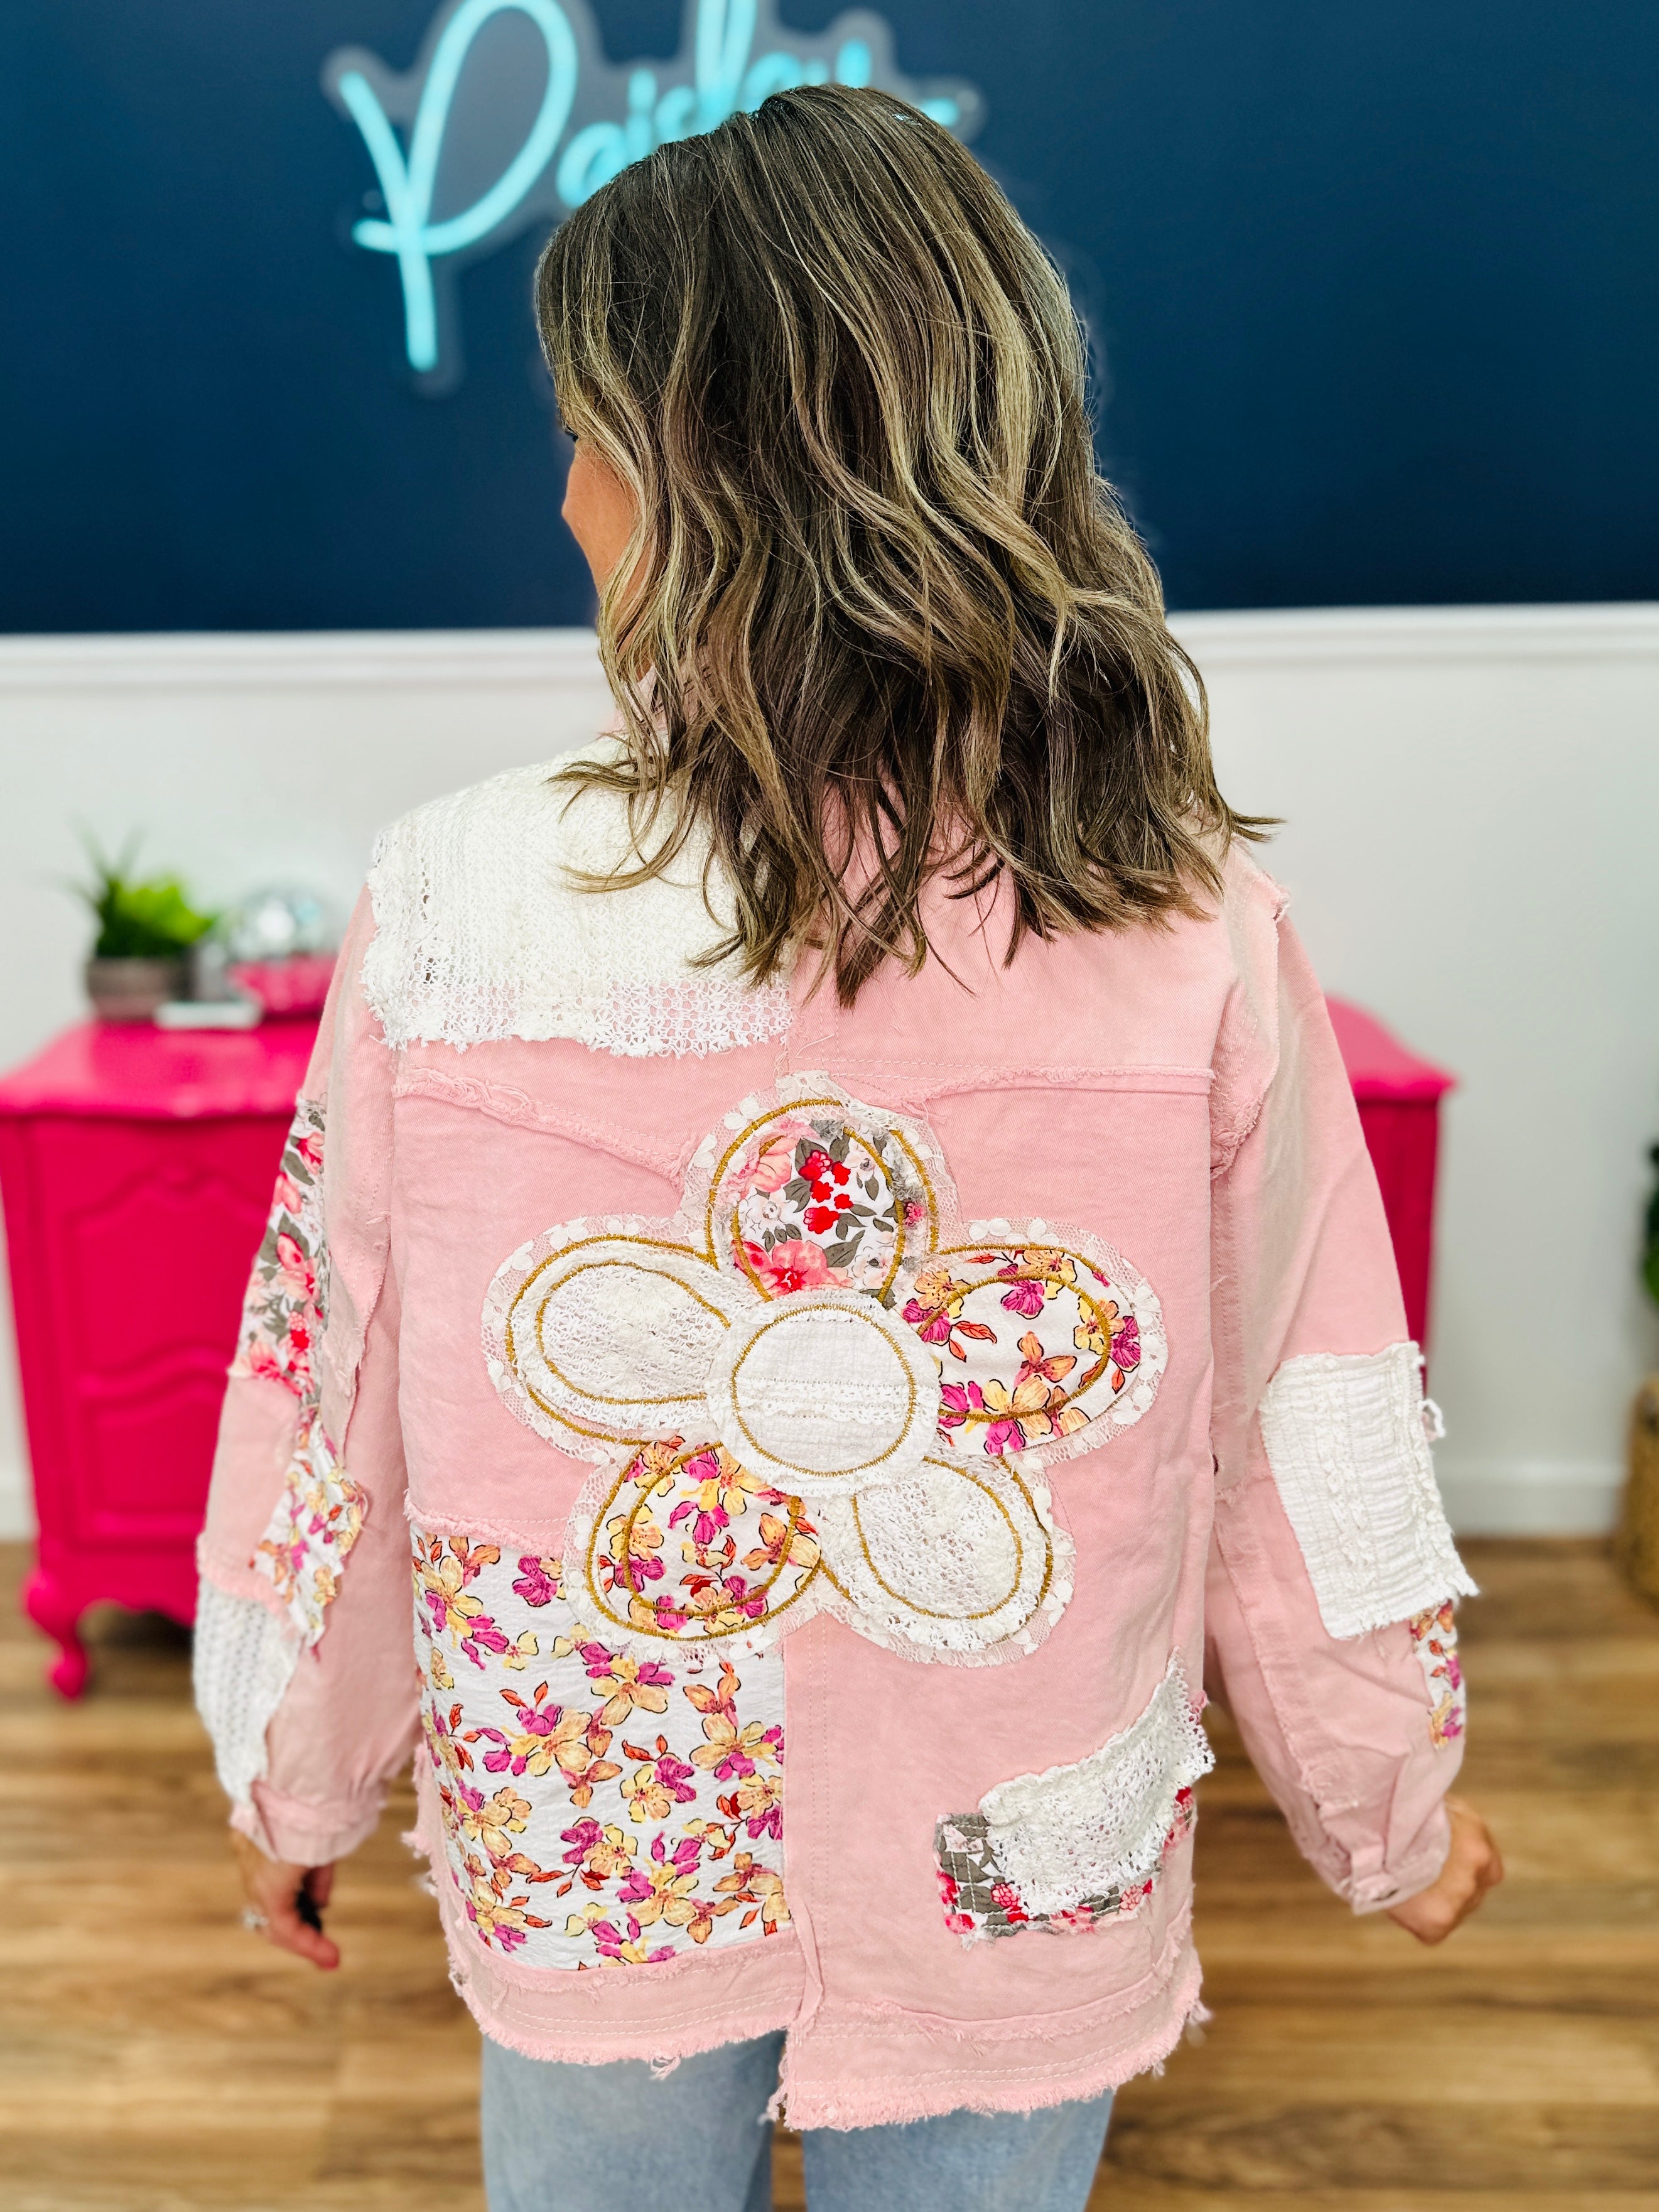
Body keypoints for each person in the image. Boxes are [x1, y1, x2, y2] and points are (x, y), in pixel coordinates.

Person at [195, 85, 1502, 2212]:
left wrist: (296, 1771)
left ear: (701, 488)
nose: (560, 494)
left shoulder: (456, 905)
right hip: (1023, 1836)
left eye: (587, 436)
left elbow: (329, 1408)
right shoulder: (1181, 918)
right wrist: (1384, 1801)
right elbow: (1310, 1412)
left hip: (600, 1823)